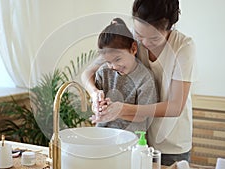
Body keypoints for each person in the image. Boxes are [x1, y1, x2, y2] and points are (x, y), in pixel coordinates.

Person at [81, 0, 197, 166]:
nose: (145, 43)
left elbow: (175, 106)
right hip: (141, 141)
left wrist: (121, 109)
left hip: (171, 144)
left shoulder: (183, 47)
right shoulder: (132, 41)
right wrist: (94, 93)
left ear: (169, 28)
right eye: (139, 34)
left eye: (154, 39)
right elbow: (87, 73)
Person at [90, 18, 157, 132]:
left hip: (132, 142)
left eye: (118, 59)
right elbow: (94, 105)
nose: (114, 66)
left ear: (133, 48)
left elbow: (143, 115)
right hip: (103, 136)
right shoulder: (103, 72)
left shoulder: (145, 79)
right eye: (109, 62)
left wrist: (116, 112)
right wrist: (98, 108)